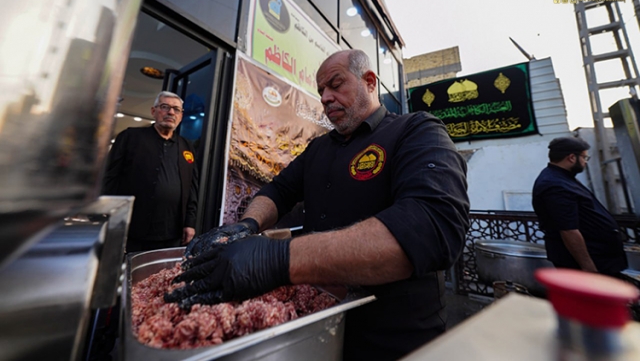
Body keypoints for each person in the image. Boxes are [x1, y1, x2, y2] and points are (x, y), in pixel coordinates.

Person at [166, 49, 470, 360]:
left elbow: (431, 227)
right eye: (321, 90)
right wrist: (248, 225)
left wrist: (277, 259)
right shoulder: (319, 148)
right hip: (317, 328)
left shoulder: (416, 131)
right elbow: (278, 190)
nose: (325, 98)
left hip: (396, 337)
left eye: (335, 85)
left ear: (369, 82)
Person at [102, 91, 198, 252]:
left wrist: (190, 223)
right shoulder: (130, 137)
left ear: (181, 116)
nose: (171, 112)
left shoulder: (187, 146)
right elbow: (109, 177)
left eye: (176, 109)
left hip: (171, 232)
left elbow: (191, 188)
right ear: (154, 111)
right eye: (165, 107)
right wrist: (106, 215)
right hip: (132, 229)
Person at [532, 136, 628, 277]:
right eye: (584, 157)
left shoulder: (563, 178)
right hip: (586, 262)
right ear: (571, 157)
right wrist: (588, 267)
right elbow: (568, 229)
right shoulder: (555, 185)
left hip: (600, 257)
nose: (585, 162)